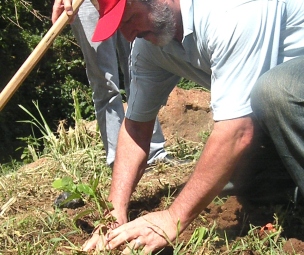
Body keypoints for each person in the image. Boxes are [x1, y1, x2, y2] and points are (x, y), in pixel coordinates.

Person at [52, 0, 304, 253]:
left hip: (291, 89)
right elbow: (136, 127)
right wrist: (114, 210)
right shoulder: (149, 47)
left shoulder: (232, 11)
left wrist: (173, 218)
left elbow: (237, 132)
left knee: (276, 90)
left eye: (128, 20)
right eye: (119, 26)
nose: (128, 35)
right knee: (230, 180)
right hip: (285, 112)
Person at [51, 0, 169, 167]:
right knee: (104, 80)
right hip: (84, 3)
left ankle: (155, 153)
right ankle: (119, 160)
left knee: (141, 68)